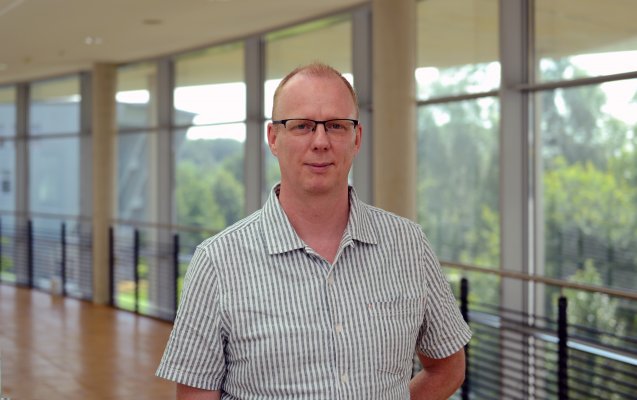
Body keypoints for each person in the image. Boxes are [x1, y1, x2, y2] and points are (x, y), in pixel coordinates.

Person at [156, 62, 472, 400]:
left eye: (336, 125)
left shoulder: (408, 245)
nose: (320, 141)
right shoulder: (217, 262)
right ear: (273, 138)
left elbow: (448, 367)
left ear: (356, 138)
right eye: (302, 126)